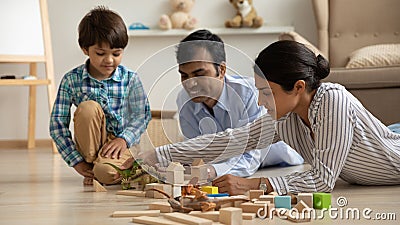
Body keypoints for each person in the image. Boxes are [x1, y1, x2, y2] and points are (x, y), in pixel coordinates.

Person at [139, 40, 400, 195]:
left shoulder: (332, 100)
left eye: (266, 92)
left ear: (298, 87)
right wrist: (158, 155)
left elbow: (321, 181)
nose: (261, 101)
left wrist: (253, 184)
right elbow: (232, 140)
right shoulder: (284, 117)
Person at [175, 29, 303, 179]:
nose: (191, 83)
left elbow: (250, 159)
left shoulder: (250, 94)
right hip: (230, 170)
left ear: (221, 70)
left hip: (284, 167)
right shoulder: (184, 100)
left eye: (200, 74)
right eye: (184, 75)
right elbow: (197, 151)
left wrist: (209, 171)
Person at [49, 6, 151, 186]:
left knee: (105, 174)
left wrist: (123, 139)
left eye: (116, 53)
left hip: (121, 145)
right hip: (89, 146)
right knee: (88, 108)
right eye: (101, 53)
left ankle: (124, 168)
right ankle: (94, 165)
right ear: (84, 49)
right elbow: (57, 124)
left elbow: (141, 116)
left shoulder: (131, 79)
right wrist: (76, 162)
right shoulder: (71, 80)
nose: (110, 60)